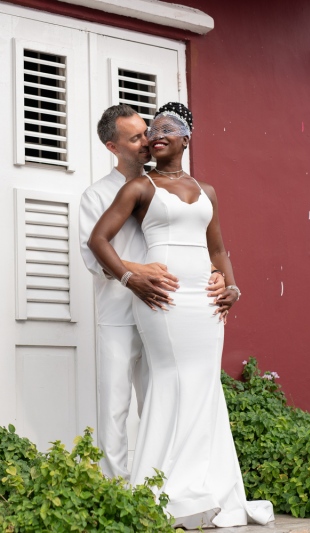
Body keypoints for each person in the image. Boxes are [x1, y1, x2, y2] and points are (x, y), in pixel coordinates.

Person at [88, 103, 274, 528]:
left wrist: (231, 287)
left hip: (206, 306)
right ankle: (162, 486)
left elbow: (218, 250)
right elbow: (98, 240)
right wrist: (129, 278)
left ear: (187, 138)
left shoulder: (206, 190)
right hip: (164, 302)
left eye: (167, 128)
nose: (157, 134)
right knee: (171, 381)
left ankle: (212, 486)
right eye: (152, 130)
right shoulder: (139, 187)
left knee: (205, 386)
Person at [79, 104, 227, 482]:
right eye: (135, 137)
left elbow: (199, 242)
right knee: (115, 403)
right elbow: (92, 253)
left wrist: (217, 276)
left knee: (159, 399)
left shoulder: (164, 185)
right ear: (113, 147)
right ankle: (114, 487)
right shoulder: (97, 195)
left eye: (146, 132)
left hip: (167, 309)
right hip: (119, 310)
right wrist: (133, 272)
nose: (147, 140)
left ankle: (162, 482)